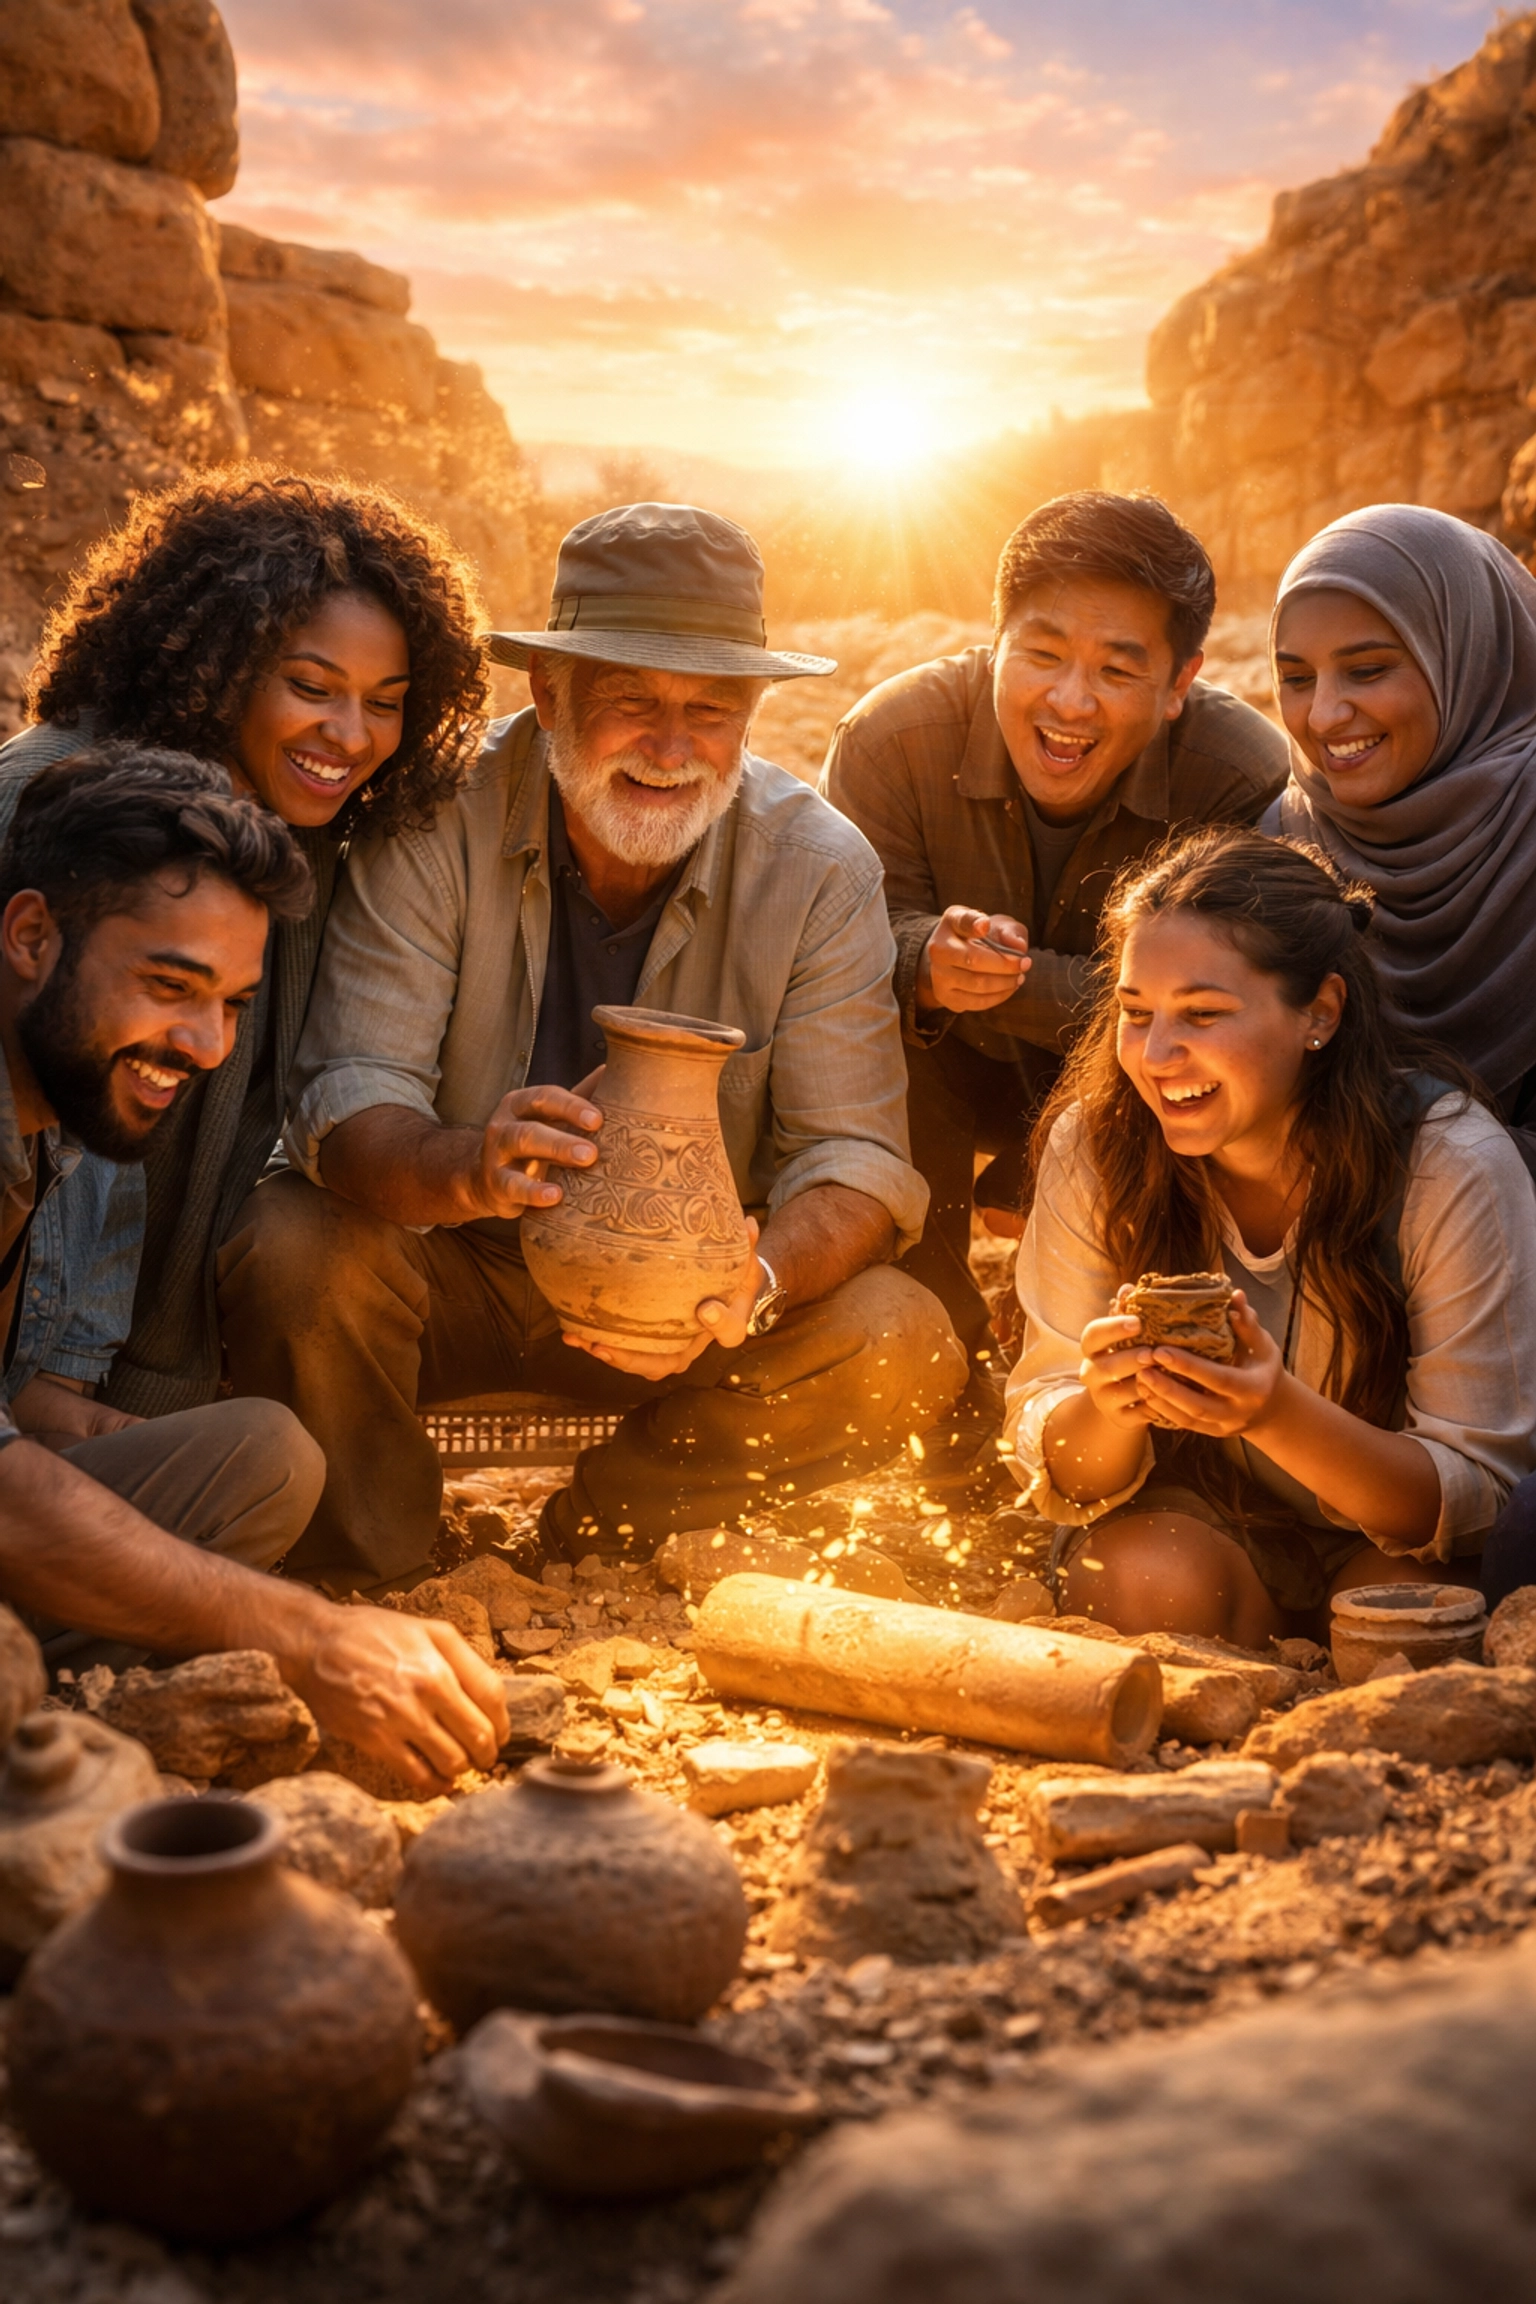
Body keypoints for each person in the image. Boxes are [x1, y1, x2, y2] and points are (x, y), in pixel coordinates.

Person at [218, 502, 966, 1592]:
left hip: (687, 1311)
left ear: (753, 715)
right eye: (631, 703)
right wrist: (467, 1164)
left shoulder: (818, 868)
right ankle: (376, 1564)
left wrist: (745, 1280)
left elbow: (853, 1161)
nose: (671, 749)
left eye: (710, 711)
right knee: (292, 1246)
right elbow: (347, 1099)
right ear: (548, 692)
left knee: (899, 1337)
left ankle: (611, 1526)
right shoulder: (435, 816)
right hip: (455, 1266)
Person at [0, 746, 507, 1788]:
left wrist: (99, 1461)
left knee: (263, 1458)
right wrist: (312, 1640)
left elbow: (23, 1422)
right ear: (31, 935)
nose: (204, 1044)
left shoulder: (52, 1123)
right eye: (169, 986)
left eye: (232, 1002)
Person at [0, 470, 488, 1417]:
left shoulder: (299, 832)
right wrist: (56, 1385)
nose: (348, 735)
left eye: (386, 701)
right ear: (216, 665)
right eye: (312, 687)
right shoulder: (53, 810)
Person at [1003, 827, 1536, 1645]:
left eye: (1203, 1015)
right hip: (1200, 1520)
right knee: (1137, 1588)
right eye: (1134, 1013)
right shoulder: (1097, 1144)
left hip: (1384, 1540)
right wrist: (1110, 1406)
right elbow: (1059, 1459)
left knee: (1413, 1629)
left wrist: (1273, 1411)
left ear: (1319, 1013)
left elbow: (1475, 1501)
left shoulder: (1448, 1165)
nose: (1155, 1054)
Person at [823, 490, 1289, 1386]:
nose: (1070, 703)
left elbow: (1232, 1005)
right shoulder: (892, 738)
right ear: (995, 639)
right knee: (863, 1028)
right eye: (1041, 655)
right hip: (940, 1070)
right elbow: (834, 947)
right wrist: (921, 954)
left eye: (1119, 671)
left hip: (1134, 1077)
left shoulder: (1238, 777)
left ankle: (1154, 1368)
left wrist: (1017, 978)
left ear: (1180, 683)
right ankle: (940, 1376)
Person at [1266, 501, 1536, 1135]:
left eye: (1367, 670)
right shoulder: (1284, 847)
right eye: (1297, 678)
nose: (1325, 716)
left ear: (1471, 655)